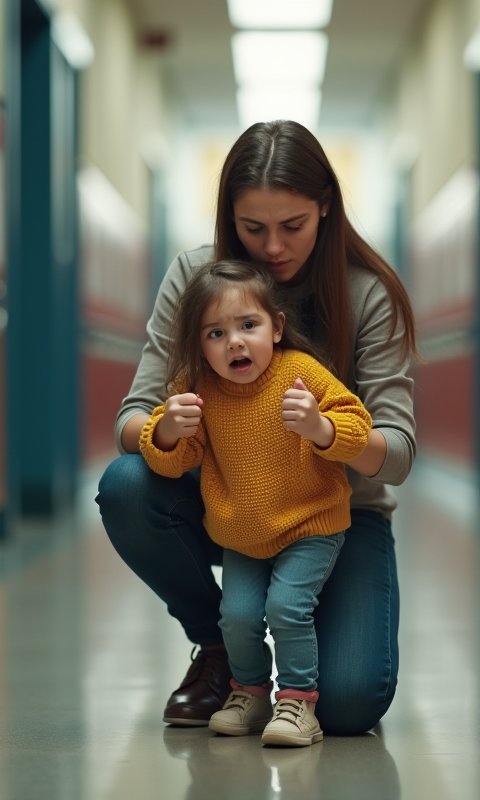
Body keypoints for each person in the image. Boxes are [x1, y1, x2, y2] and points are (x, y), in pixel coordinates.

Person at [98, 120, 417, 736]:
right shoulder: (196, 277)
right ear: (228, 217)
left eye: (292, 226)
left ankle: (287, 677)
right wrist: (165, 430)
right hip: (231, 505)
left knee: (349, 704)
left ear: (325, 206)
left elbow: (397, 454)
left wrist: (328, 432)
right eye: (253, 228)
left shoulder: (367, 293)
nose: (272, 246)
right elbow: (130, 419)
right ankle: (219, 649)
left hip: (336, 517)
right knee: (127, 485)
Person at [140, 260, 371, 746]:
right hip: (241, 532)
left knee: (287, 607)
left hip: (311, 524)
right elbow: (175, 460)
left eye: (249, 326)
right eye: (216, 333)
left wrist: (320, 427)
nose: (236, 342)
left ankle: (296, 703)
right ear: (199, 345)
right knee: (238, 616)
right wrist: (164, 429)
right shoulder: (198, 387)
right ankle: (249, 692)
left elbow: (358, 424)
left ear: (277, 327)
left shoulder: (301, 372)